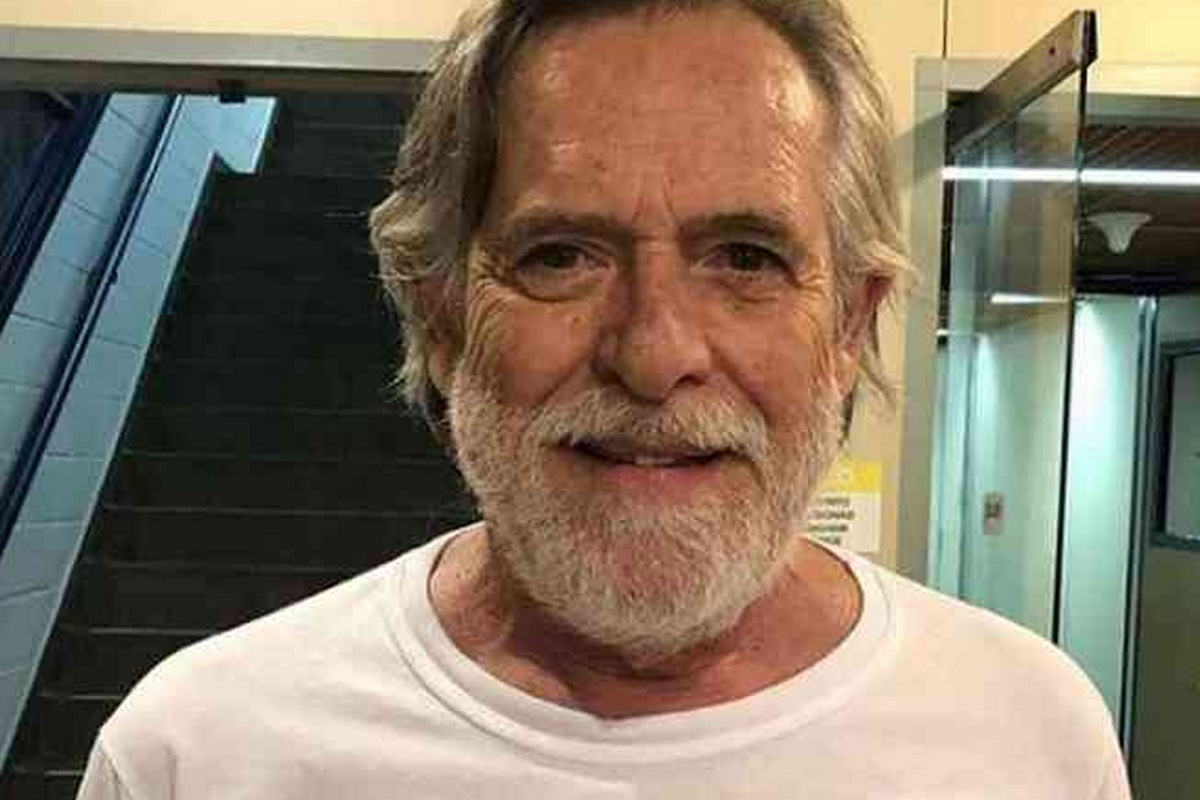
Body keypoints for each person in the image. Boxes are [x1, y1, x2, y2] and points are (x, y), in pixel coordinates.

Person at [77, 0, 1132, 797]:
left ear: (849, 326)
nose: (654, 355)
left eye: (746, 256)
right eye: (561, 255)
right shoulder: (200, 754)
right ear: (440, 317)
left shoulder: (1031, 739)